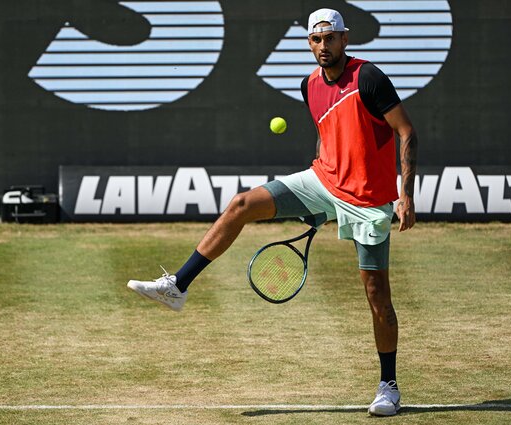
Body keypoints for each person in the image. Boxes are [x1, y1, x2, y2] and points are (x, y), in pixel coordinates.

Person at [127, 8, 418, 417]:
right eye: (316, 40)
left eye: (330, 38)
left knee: (377, 297)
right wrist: (320, 200)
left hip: (369, 199)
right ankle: (178, 285)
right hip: (322, 180)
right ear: (309, 42)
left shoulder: (367, 78)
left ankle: (388, 385)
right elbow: (326, 137)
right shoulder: (310, 85)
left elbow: (406, 131)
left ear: (344, 39)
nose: (323, 46)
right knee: (241, 204)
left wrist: (406, 196)